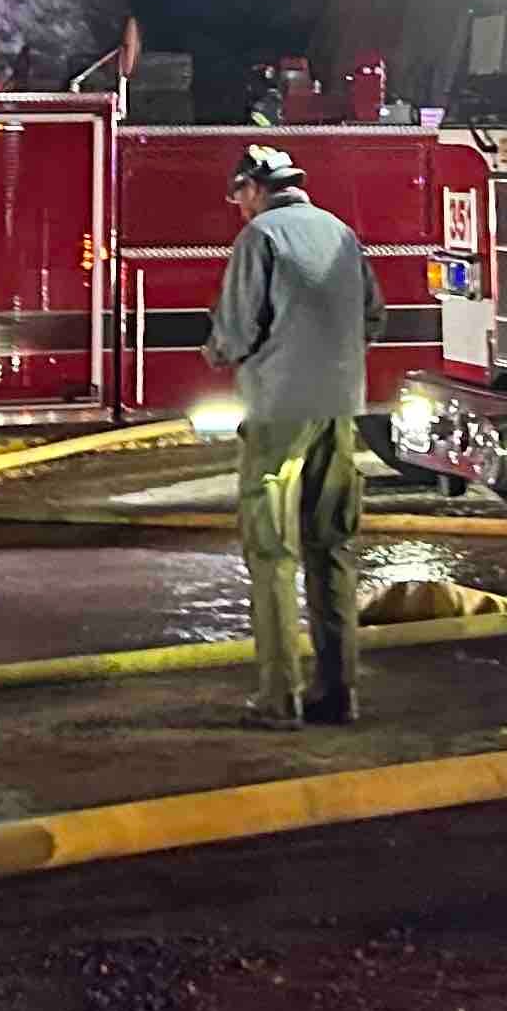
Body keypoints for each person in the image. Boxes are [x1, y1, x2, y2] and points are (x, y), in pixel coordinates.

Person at [201, 142, 372, 728]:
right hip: (341, 410)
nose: (239, 209)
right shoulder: (342, 232)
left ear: (254, 187)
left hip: (279, 413)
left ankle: (280, 699)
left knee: (272, 551)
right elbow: (373, 315)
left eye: (238, 196)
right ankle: (340, 693)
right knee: (333, 548)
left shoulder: (261, 238)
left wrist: (218, 352)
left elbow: (236, 329)